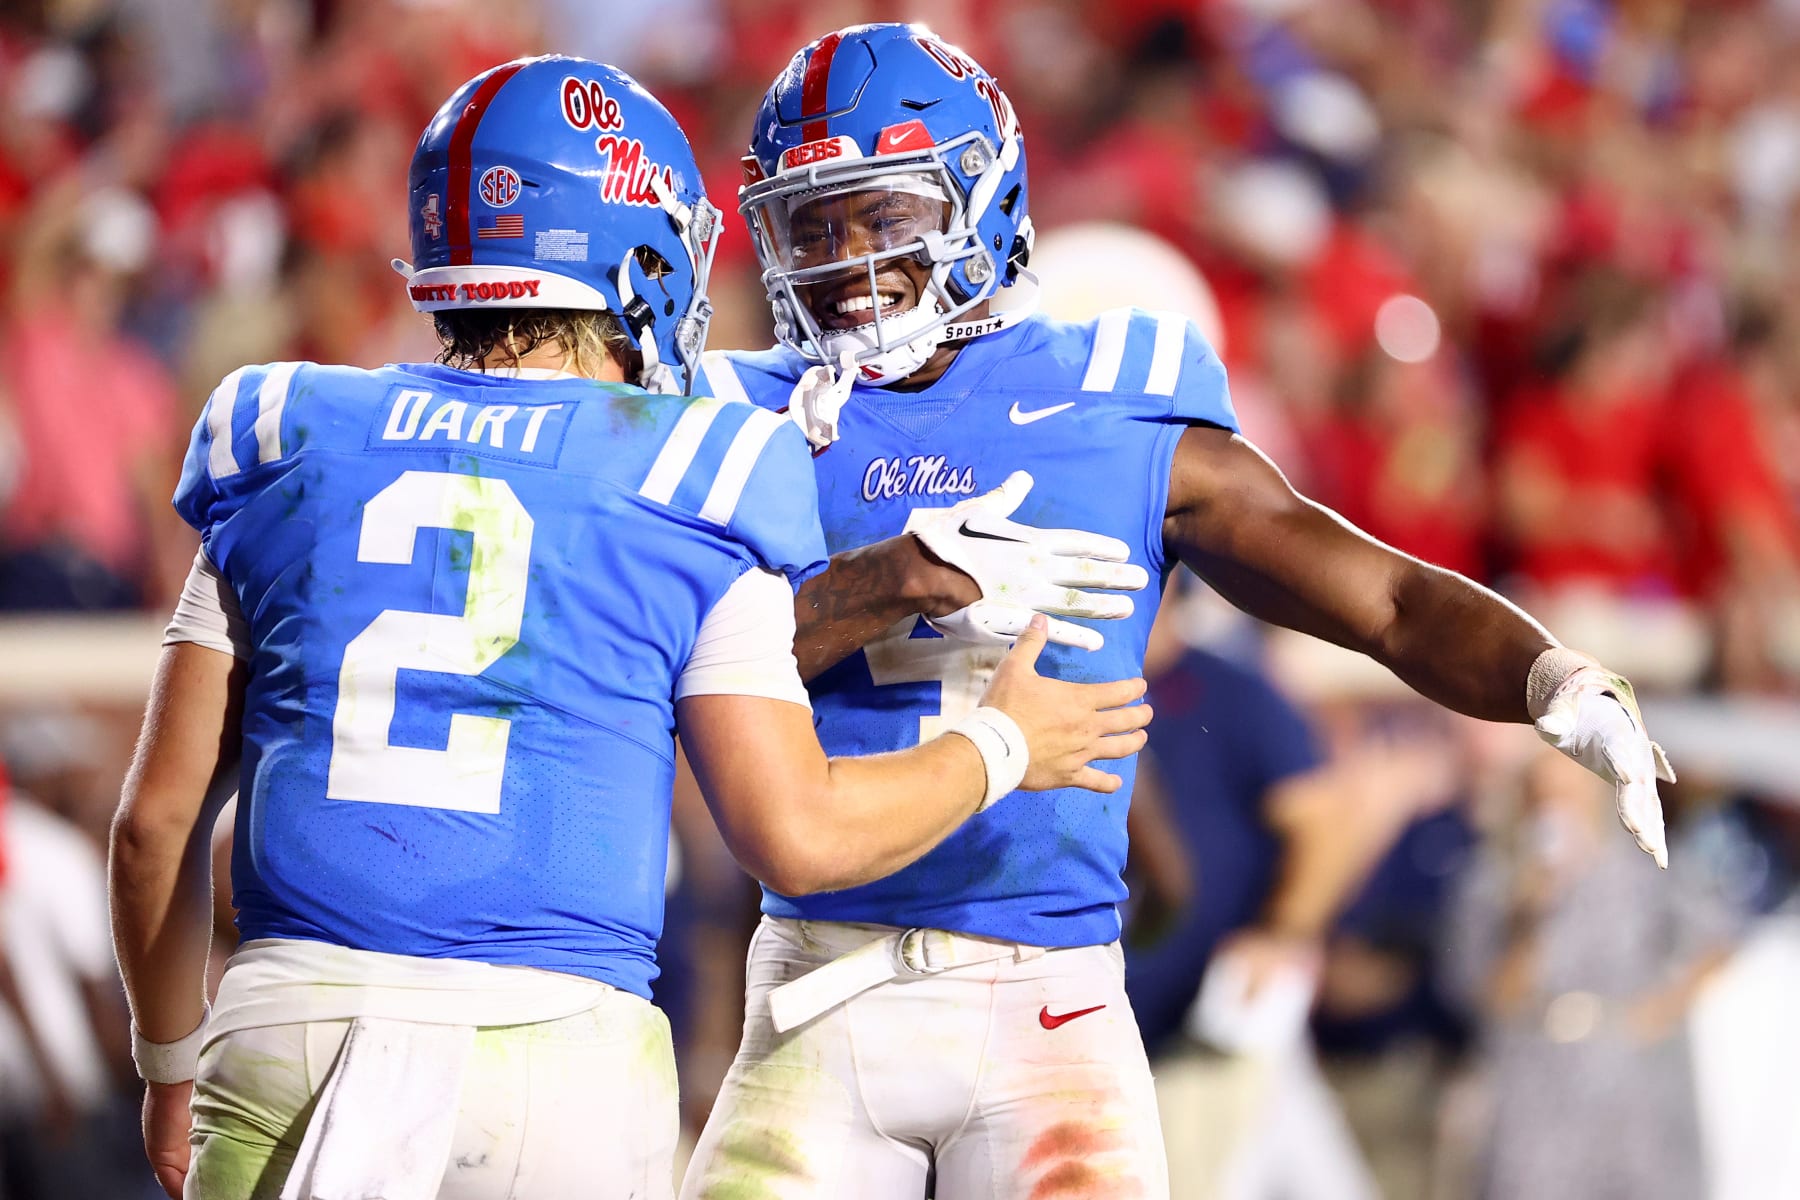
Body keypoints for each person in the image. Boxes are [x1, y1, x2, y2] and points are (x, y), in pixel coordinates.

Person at [106, 56, 1152, 1200]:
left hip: (288, 1022)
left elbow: (158, 824)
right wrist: (1003, 745)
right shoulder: (702, 462)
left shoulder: (277, 429)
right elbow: (797, 833)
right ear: (636, 251)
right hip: (559, 1054)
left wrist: (167, 1062)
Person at [683, 23, 1676, 1200]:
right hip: (816, 983)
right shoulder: (742, 419)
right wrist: (883, 581)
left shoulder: (1116, 403)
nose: (844, 259)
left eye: (883, 216)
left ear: (980, 201)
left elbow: (1389, 598)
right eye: (814, 223)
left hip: (1045, 996)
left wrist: (1553, 679)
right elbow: (680, 668)